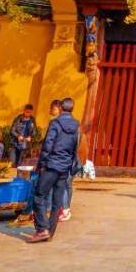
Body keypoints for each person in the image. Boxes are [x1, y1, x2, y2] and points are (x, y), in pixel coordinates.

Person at [26, 97, 79, 243]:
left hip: (52, 165)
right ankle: (50, 230)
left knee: (39, 194)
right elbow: (75, 147)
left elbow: (48, 145)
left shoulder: (55, 123)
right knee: (57, 201)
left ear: (61, 108)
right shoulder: (76, 126)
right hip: (64, 167)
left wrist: (41, 164)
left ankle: (42, 229)